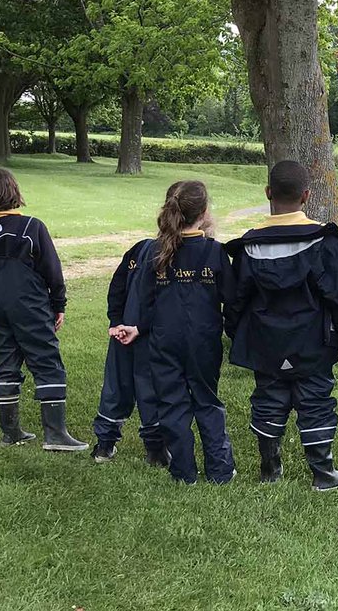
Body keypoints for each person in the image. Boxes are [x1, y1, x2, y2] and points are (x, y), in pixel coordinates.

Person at [227, 161, 338, 491]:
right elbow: (335, 294)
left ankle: (270, 469)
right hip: (313, 339)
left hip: (264, 339)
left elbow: (236, 298)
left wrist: (234, 332)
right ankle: (324, 474)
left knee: (268, 397)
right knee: (315, 400)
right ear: (306, 196)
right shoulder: (324, 239)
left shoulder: (249, 245)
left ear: (268, 193)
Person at [116, 181, 236, 484]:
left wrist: (138, 327)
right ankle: (220, 471)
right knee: (207, 400)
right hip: (203, 341)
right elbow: (231, 299)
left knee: (172, 403)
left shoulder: (156, 251)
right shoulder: (214, 252)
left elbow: (145, 301)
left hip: (163, 340)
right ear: (205, 212)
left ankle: (183, 472)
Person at [0, 167, 87, 451]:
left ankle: (11, 433)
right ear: (14, 192)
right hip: (32, 307)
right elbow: (53, 272)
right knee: (47, 361)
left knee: (5, 362)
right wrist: (58, 304)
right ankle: (55, 434)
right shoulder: (32, 227)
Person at [92, 236, 170, 466]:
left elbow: (116, 286)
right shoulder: (176, 253)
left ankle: (104, 445)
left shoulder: (140, 247)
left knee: (116, 386)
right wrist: (129, 324)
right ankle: (155, 449)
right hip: (150, 334)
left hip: (124, 331)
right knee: (151, 388)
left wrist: (117, 322)